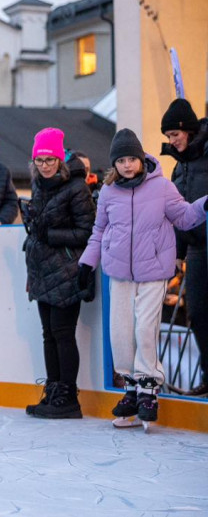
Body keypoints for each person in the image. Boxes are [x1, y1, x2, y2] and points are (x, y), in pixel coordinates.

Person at [78, 129, 207, 427]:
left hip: (153, 271)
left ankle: (149, 387)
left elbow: (184, 217)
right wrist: (86, 264)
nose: (127, 165)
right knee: (120, 332)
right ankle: (131, 389)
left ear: (140, 158)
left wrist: (203, 205)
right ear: (115, 164)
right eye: (121, 160)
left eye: (131, 159)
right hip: (119, 272)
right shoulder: (109, 192)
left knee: (145, 328)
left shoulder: (161, 187)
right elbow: (98, 233)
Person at [22, 128, 96, 419]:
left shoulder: (76, 188)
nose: (44, 165)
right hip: (42, 269)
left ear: (60, 158)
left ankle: (68, 396)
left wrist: (49, 233)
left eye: (50, 159)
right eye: (39, 160)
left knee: (63, 334)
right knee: (48, 334)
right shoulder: (38, 185)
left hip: (67, 270)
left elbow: (87, 231)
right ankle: (53, 390)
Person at [159, 98, 208, 396]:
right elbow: (177, 212)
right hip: (196, 248)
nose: (171, 141)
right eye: (168, 137)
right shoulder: (180, 168)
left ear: (188, 131)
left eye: (174, 135)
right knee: (199, 314)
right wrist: (177, 253)